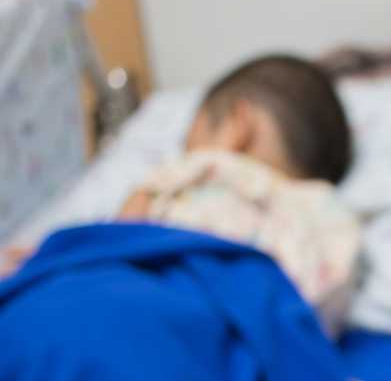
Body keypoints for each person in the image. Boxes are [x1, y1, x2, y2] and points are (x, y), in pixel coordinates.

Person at [5, 54, 359, 335]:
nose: (186, 153)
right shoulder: (325, 212)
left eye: (191, 139)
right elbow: (318, 312)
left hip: (141, 307)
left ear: (236, 125)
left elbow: (123, 234)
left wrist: (50, 259)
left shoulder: (205, 167)